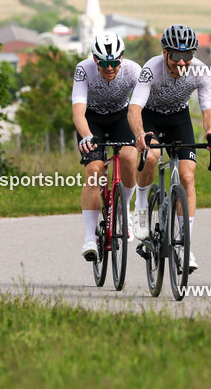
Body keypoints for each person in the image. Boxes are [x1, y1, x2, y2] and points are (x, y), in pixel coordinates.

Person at [128, 24, 211, 273]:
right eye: (176, 56)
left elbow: (208, 108)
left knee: (188, 176)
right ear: (165, 53)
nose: (181, 62)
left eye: (187, 56)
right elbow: (135, 108)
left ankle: (184, 247)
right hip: (151, 118)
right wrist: (139, 134)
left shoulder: (200, 71)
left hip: (179, 119)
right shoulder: (151, 68)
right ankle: (141, 207)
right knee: (153, 155)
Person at [73, 32, 140, 261]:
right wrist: (86, 136)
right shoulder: (84, 70)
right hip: (92, 120)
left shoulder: (133, 70)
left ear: (122, 58)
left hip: (122, 116)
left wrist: (143, 134)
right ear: (95, 60)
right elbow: (78, 111)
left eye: (114, 63)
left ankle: (124, 210)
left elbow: (142, 105)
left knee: (130, 157)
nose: (109, 68)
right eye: (104, 64)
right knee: (94, 171)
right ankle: (90, 238)